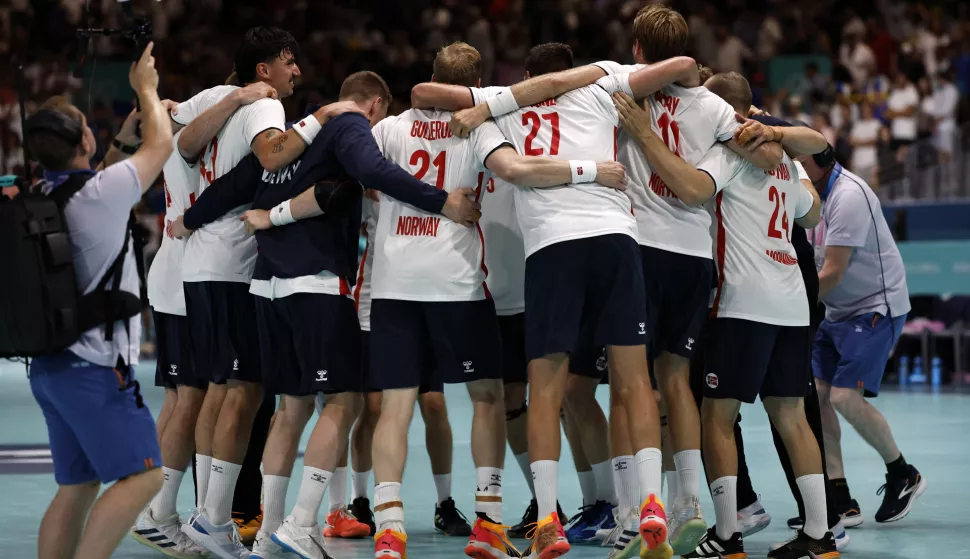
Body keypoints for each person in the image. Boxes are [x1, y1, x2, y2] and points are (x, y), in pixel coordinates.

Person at [176, 70, 483, 559]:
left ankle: (273, 531)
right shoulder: (349, 125)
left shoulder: (291, 136)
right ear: (376, 105)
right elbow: (374, 171)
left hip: (266, 286)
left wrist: (186, 221)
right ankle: (301, 523)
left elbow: (237, 183)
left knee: (290, 409)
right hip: (316, 284)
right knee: (343, 404)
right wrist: (441, 201)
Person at [363, 42, 628, 559]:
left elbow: (364, 179)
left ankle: (389, 531)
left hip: (393, 283)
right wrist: (592, 171)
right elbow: (519, 171)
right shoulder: (482, 126)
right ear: (477, 82)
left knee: (394, 407)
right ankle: (488, 521)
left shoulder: (389, 129)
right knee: (488, 399)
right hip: (459, 283)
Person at [614, 72, 838, 559]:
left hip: (741, 301)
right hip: (792, 302)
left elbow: (693, 190)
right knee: (793, 416)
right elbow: (813, 214)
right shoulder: (787, 164)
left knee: (717, 416)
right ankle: (821, 536)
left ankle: (727, 534)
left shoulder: (730, 150)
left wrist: (644, 136)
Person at [24, 43, 171, 559]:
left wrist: (120, 142)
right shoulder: (103, 194)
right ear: (84, 137)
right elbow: (163, 147)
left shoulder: (38, 193)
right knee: (144, 477)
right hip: (94, 366)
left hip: (49, 363)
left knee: (78, 485)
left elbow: (95, 180)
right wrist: (147, 90)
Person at [130, 79, 285, 557]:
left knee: (187, 396)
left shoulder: (186, 137)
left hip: (179, 271)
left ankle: (169, 508)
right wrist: (240, 99)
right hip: (191, 269)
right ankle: (168, 511)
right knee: (196, 396)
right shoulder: (206, 136)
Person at [167, 27, 306, 558]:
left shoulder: (215, 104)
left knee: (220, 390)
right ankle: (215, 521)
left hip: (202, 260)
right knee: (244, 392)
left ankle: (209, 517)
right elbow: (268, 162)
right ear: (263, 71)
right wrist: (321, 128)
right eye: (288, 62)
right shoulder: (264, 109)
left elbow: (179, 139)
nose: (296, 71)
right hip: (232, 262)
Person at [800, 142, 925, 527]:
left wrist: (788, 306)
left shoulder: (849, 195)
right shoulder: (807, 194)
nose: (793, 166)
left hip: (875, 306)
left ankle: (902, 472)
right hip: (837, 310)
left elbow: (833, 271)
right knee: (817, 396)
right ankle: (840, 497)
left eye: (798, 158)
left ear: (820, 161)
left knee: (842, 396)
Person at [337, 192, 474, 539]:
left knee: (433, 402)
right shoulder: (372, 181)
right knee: (373, 407)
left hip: (428, 300)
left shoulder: (432, 180)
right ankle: (361, 499)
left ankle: (444, 503)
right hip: (375, 302)